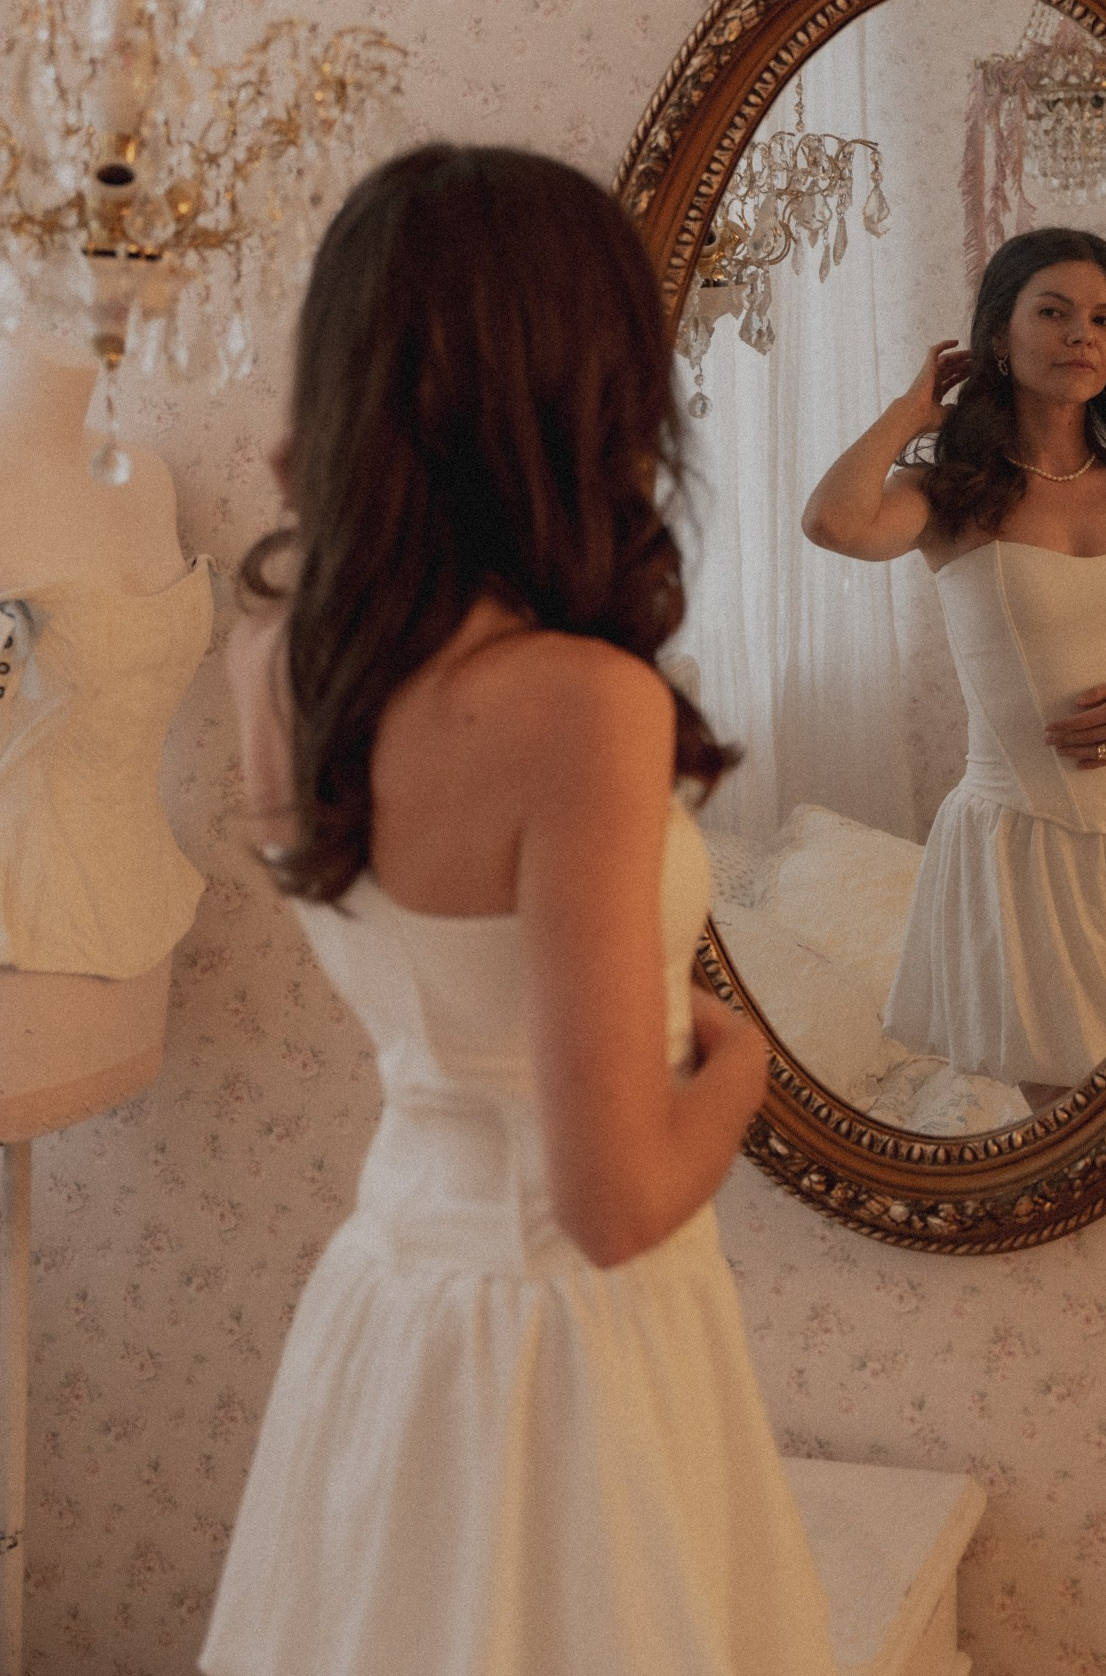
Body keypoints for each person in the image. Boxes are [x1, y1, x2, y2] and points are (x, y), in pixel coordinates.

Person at [201, 146, 839, 1676]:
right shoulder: (581, 707)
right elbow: (613, 1205)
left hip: (389, 1315)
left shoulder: (277, 659)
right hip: (568, 1355)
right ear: (578, 387)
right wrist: (741, 1065)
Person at [802, 228, 1106, 1112]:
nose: (1082, 336)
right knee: (1070, 1122)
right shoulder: (950, 492)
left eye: (1104, 320)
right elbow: (833, 524)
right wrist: (910, 414)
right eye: (1054, 313)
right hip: (1021, 846)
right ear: (999, 332)